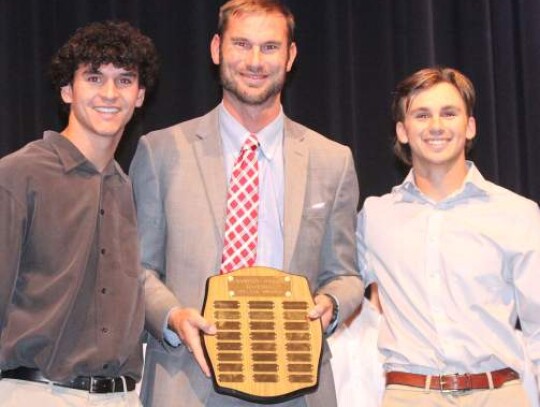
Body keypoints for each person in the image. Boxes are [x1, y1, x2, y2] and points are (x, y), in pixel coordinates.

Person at [129, 1, 363, 406]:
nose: (255, 61)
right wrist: (173, 317)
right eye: (242, 44)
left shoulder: (332, 160)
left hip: (297, 384)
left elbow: (345, 274)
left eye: (270, 47)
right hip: (188, 380)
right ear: (217, 49)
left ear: (290, 56)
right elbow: (138, 268)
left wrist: (332, 304)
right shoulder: (161, 152)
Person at [356, 66, 540, 406]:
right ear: (402, 131)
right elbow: (335, 283)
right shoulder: (375, 217)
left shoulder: (518, 214)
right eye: (422, 115)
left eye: (449, 113)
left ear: (469, 126)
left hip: (498, 394)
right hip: (409, 394)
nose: (436, 126)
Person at [0, 21, 159, 407]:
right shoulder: (18, 175)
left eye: (124, 80)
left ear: (139, 95)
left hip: (121, 397)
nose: (109, 93)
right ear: (67, 90)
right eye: (94, 78)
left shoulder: (124, 185)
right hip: (35, 394)